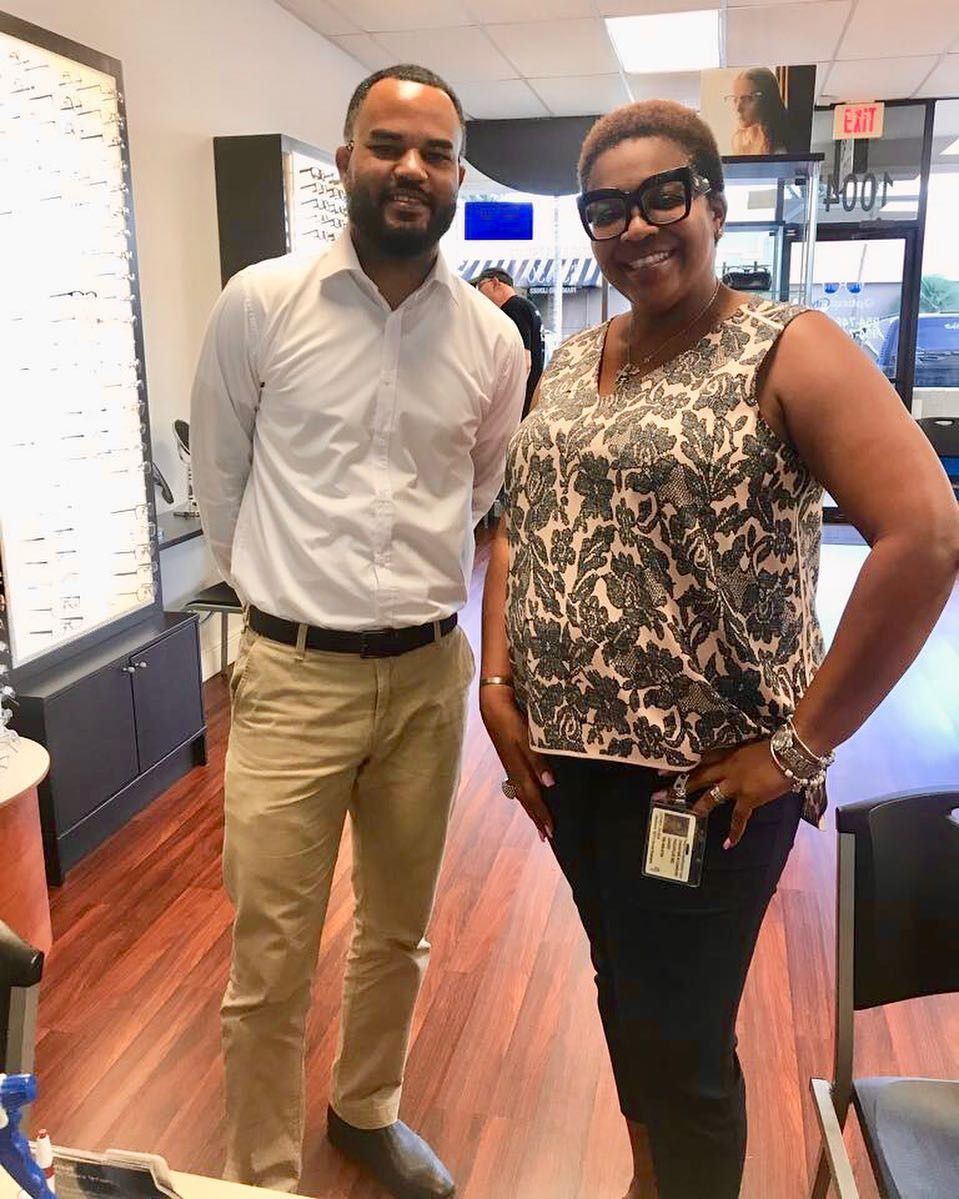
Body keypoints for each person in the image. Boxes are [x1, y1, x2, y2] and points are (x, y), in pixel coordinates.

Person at [479, 99, 959, 1199]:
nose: (635, 227)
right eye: (607, 208)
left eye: (662, 197)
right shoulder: (567, 359)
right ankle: (649, 1177)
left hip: (704, 787)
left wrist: (795, 747)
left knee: (682, 1032)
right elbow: (519, 520)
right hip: (567, 768)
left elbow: (924, 534)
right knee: (623, 987)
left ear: (712, 202)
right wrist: (494, 677)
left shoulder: (784, 346)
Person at [191, 64, 526, 1199]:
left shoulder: (491, 342)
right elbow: (220, 484)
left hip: (429, 678)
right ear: (344, 161)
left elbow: (478, 493)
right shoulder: (261, 303)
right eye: (387, 145)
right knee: (270, 953)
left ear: (457, 177)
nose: (410, 170)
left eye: (434, 153)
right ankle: (258, 1174)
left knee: (399, 927)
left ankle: (365, 1108)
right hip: (292, 677)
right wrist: (286, 608)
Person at [473, 268, 545, 418]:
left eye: (481, 288)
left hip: (520, 399)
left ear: (495, 282)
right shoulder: (528, 306)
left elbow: (525, 361)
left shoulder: (512, 308)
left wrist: (510, 399)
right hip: (532, 392)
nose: (480, 296)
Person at [727, 67, 788, 155]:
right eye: (735, 99)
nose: (738, 109)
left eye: (747, 99)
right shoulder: (740, 140)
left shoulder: (780, 146)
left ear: (767, 99)